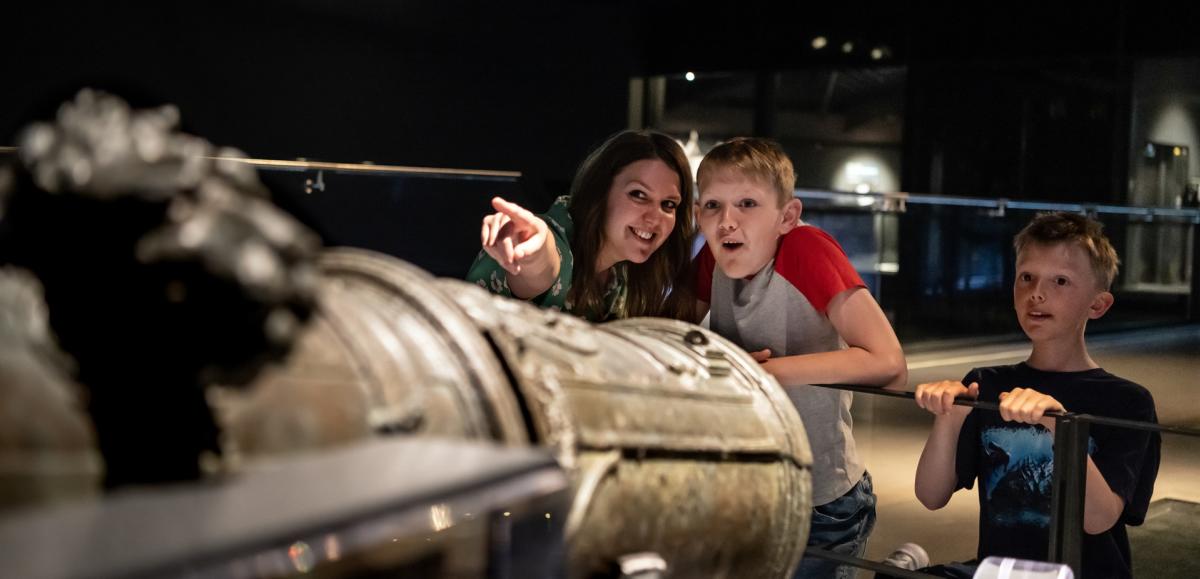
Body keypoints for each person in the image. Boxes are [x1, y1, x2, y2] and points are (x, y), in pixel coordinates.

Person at [692, 137, 907, 578]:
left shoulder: (807, 249)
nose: (727, 222)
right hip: (743, 493)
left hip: (818, 501)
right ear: (698, 215)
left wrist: (764, 373)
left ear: (787, 216)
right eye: (712, 206)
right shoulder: (710, 260)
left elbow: (889, 364)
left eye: (747, 203)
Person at [908, 212, 1161, 579]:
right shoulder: (986, 384)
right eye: (1026, 277)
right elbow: (931, 495)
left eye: (1060, 281)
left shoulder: (1128, 401)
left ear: (1098, 305)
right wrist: (948, 417)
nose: (1037, 293)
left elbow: (1098, 518)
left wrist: (1059, 424)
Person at [467, 130, 695, 321]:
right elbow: (545, 262)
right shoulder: (559, 239)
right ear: (600, 191)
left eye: (668, 204)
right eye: (638, 194)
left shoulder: (624, 274)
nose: (655, 217)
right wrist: (531, 249)